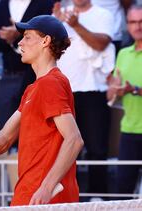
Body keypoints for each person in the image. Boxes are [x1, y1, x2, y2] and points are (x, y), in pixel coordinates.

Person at [0, 15, 84, 206]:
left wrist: (46, 187)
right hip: (31, 193)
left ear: (45, 41)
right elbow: (1, 141)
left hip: (45, 197)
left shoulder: (50, 83)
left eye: (27, 37)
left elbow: (74, 139)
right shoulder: (34, 88)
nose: (20, 42)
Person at [54, 0, 115, 200]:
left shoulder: (103, 14)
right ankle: (68, 197)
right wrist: (55, 23)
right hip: (64, 92)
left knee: (97, 149)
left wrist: (76, 25)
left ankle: (98, 197)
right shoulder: (58, 14)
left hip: (94, 90)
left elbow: (101, 43)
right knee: (65, 151)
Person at [0, 0, 55, 152]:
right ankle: (10, 175)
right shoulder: (4, 3)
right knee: (6, 135)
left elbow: (46, 41)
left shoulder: (45, 3)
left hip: (35, 77)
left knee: (34, 134)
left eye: (26, 37)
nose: (22, 42)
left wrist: (15, 36)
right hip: (8, 76)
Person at [107, 4, 142, 199]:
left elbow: (132, 89)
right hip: (129, 131)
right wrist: (114, 88)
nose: (137, 26)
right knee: (122, 193)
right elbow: (111, 95)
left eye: (141, 21)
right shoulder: (122, 54)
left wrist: (134, 90)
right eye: (133, 22)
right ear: (127, 25)